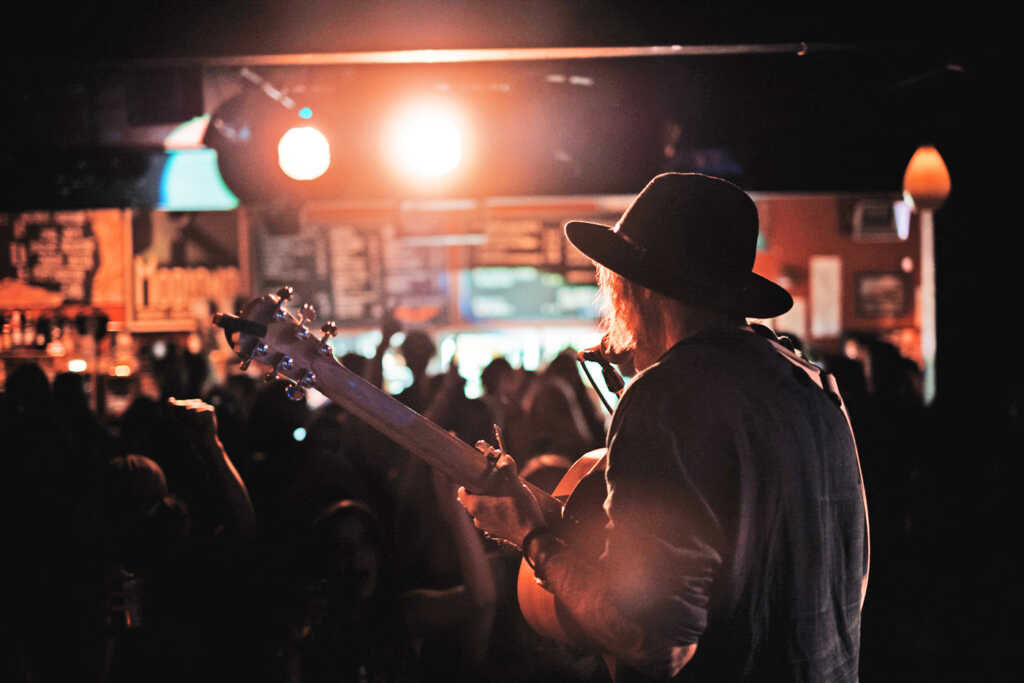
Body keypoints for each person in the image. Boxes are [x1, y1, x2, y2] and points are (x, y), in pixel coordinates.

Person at [458, 172, 870, 682]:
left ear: (636, 292)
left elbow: (651, 638)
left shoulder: (668, 396)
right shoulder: (810, 383)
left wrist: (531, 536)